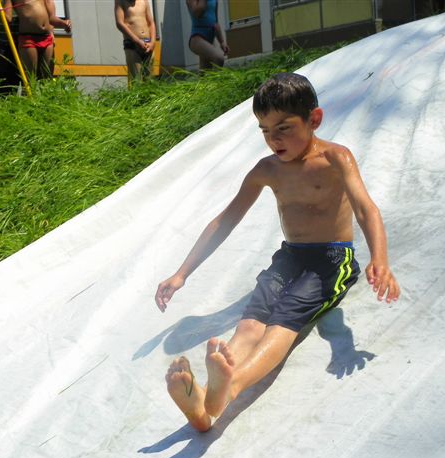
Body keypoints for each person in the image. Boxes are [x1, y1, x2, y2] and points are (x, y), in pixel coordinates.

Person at [155, 73, 401, 432]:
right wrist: (182, 273)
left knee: (283, 319)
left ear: (314, 119)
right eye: (265, 130)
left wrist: (380, 259)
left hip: (331, 260)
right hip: (289, 257)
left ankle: (231, 387)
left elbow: (366, 209)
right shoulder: (267, 170)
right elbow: (226, 220)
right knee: (251, 320)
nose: (274, 139)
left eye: (284, 128)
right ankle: (206, 403)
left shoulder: (336, 159)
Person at [8, 0, 71, 80]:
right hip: (28, 38)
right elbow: (8, 17)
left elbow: (52, 19)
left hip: (46, 37)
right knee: (31, 78)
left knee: (47, 77)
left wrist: (64, 23)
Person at [114, 0, 156, 83]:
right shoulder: (120, 1)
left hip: (147, 44)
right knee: (137, 81)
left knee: (149, 81)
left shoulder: (144, 1)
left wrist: (153, 42)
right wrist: (137, 41)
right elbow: (119, 23)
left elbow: (151, 23)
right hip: (132, 44)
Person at [186, 0, 228, 70]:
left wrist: (222, 42)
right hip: (197, 37)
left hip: (210, 39)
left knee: (205, 72)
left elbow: (215, 23)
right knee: (219, 58)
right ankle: (218, 77)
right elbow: (197, 14)